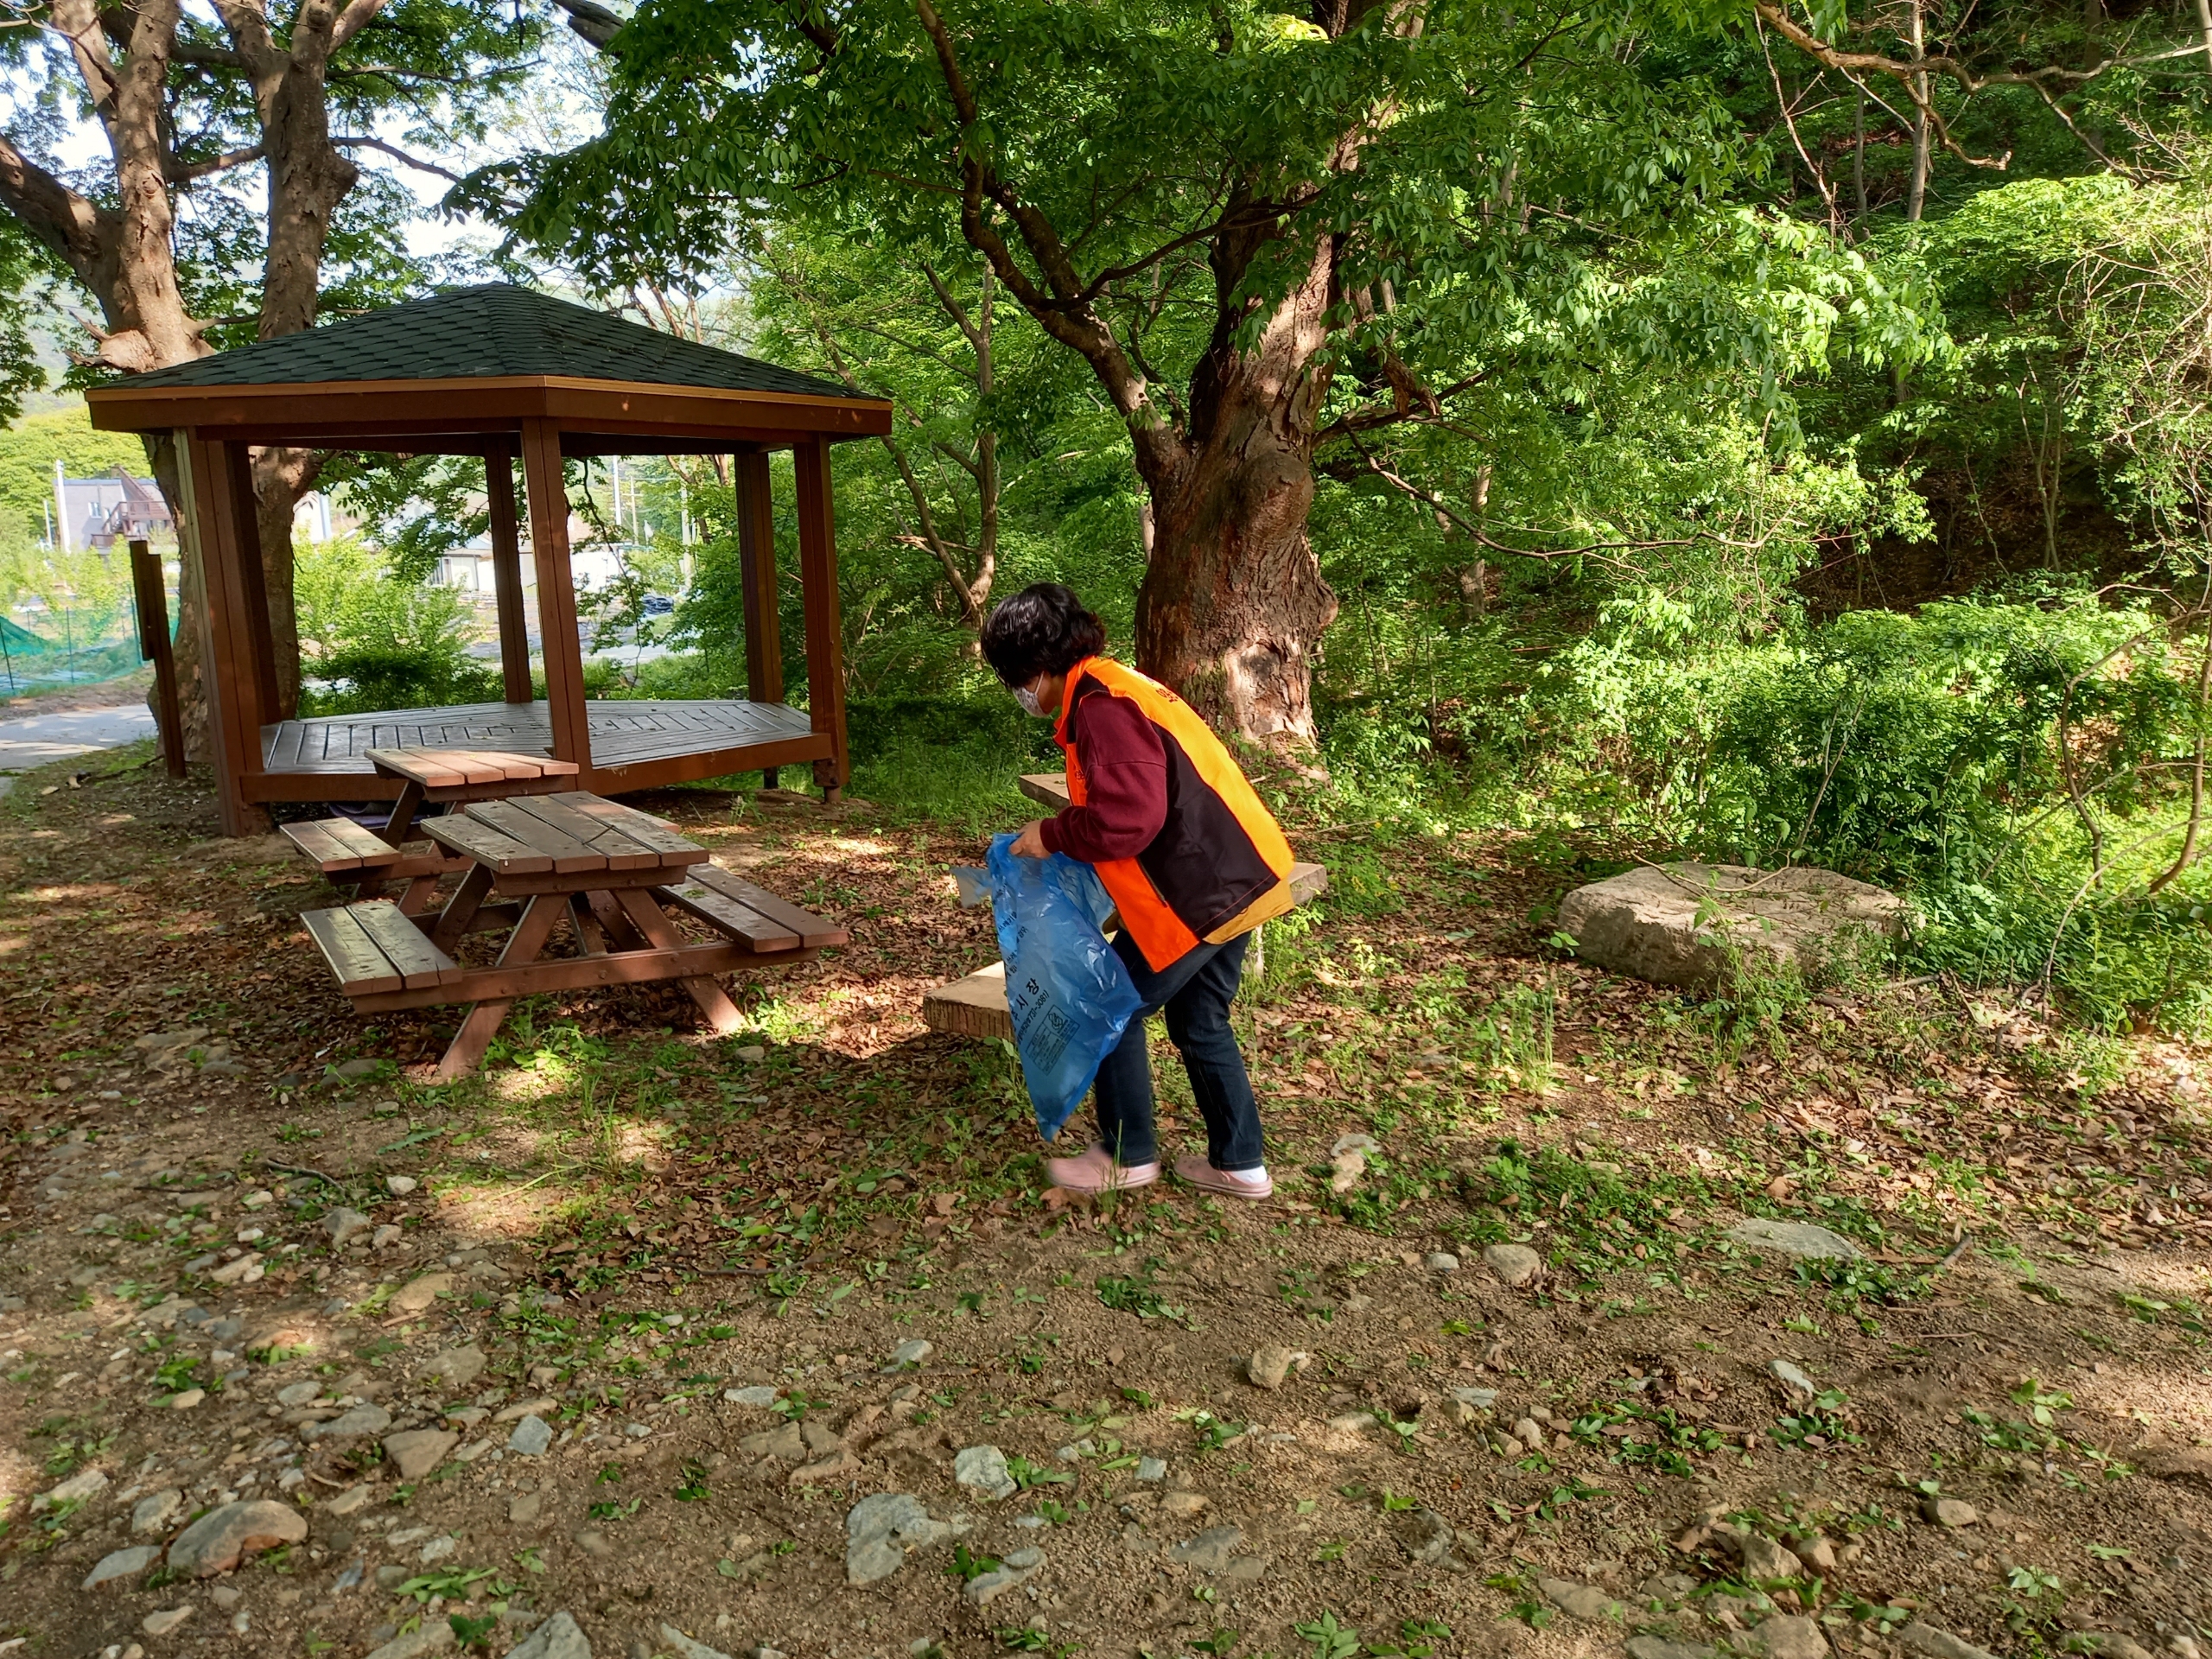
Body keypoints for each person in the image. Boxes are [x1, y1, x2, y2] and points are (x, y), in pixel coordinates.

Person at [981, 582, 1299, 1200]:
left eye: (1013, 678)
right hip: (1242, 874)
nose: (1017, 691)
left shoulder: (1103, 706)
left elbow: (1129, 820)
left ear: (1035, 665)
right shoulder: (1118, 684)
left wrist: (1052, 833)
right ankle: (1240, 1163)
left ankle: (1127, 1156)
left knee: (1105, 1001)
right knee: (1200, 1018)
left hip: (1201, 892)